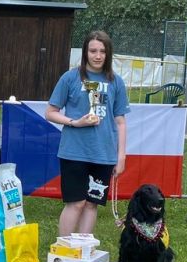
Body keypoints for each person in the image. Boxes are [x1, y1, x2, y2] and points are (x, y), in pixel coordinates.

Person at [45, 30, 130, 236]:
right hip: (74, 151)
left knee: (92, 204)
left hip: (104, 153)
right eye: (93, 51)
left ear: (108, 54)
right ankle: (64, 248)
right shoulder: (70, 78)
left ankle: (84, 248)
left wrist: (121, 156)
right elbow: (50, 112)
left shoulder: (116, 82)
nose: (98, 56)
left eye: (102, 51)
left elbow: (120, 122)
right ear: (85, 52)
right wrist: (75, 122)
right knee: (76, 203)